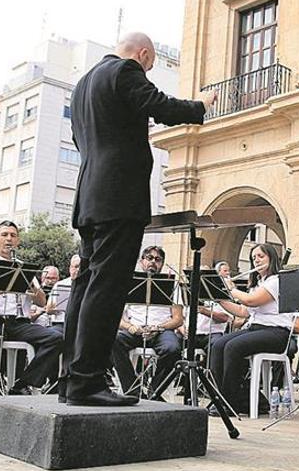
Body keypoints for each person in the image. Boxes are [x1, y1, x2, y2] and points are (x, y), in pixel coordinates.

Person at [63, 31, 217, 406]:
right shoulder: (125, 71)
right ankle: (88, 383)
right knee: (108, 287)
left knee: (85, 285)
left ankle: (72, 379)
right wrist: (200, 104)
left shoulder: (84, 85)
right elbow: (160, 106)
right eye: (150, 64)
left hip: (90, 197)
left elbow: (86, 139)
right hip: (117, 197)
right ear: (143, 54)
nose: (148, 69)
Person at [0, 221, 62, 395]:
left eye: (13, 235)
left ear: (17, 241)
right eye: (4, 235)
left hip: (19, 322)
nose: (9, 239)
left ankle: (22, 383)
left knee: (56, 337)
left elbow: (41, 302)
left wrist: (32, 288)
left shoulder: (24, 266)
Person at [209, 243, 299, 416]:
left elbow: (251, 301)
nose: (256, 260)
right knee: (218, 346)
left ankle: (230, 402)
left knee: (233, 347)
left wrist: (232, 289)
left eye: (260, 256)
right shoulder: (258, 283)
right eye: (254, 258)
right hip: (256, 328)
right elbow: (243, 311)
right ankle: (225, 397)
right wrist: (218, 298)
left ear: (271, 258)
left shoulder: (276, 281)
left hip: (277, 332)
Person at [111, 246, 183, 400]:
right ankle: (133, 389)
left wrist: (158, 327)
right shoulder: (129, 283)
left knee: (173, 348)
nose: (153, 262)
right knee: (113, 341)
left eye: (157, 259)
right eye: (149, 258)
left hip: (161, 330)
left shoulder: (172, 286)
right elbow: (116, 316)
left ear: (162, 263)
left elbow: (178, 319)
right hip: (135, 329)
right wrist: (131, 327)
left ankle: (155, 390)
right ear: (141, 261)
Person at [44, 254, 80, 334]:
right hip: (61, 323)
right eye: (76, 266)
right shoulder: (60, 285)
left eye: (80, 267)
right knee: (53, 335)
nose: (78, 270)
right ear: (70, 268)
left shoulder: (89, 284)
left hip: (80, 323)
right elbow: (48, 310)